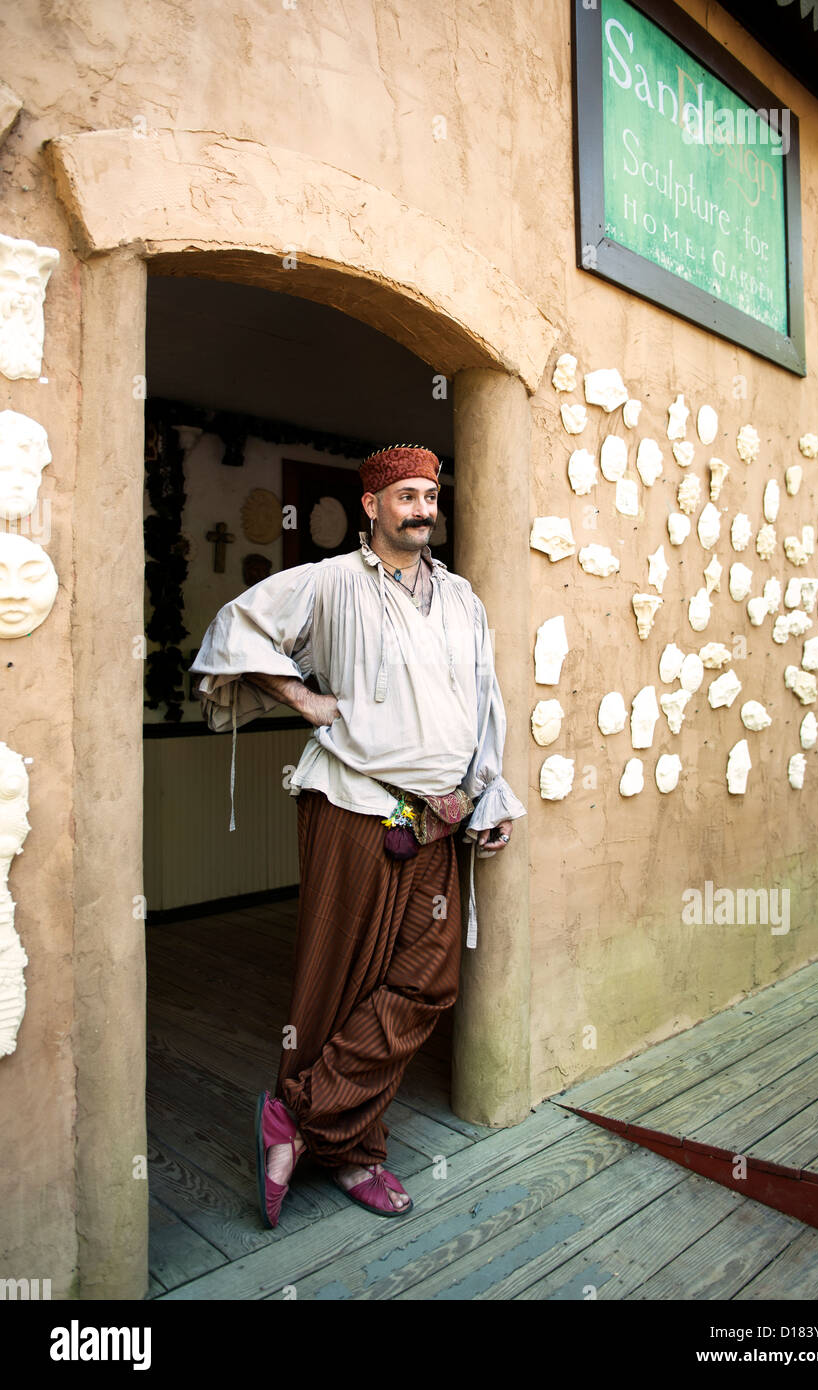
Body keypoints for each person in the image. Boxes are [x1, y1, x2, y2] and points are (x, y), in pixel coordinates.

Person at [189, 443, 525, 1224]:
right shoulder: (331, 582)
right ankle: (355, 1153)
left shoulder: (463, 598)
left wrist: (488, 794)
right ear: (370, 505)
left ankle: (298, 1120)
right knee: (336, 984)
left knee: (424, 982)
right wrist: (301, 698)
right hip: (351, 804)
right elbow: (233, 630)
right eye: (404, 495)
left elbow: (485, 702)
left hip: (438, 819)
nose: (421, 508)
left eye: (429, 495)